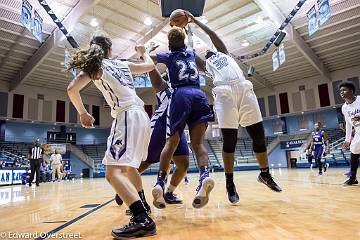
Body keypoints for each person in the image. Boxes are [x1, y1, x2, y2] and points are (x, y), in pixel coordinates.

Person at [67, 34, 156, 239]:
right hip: (142, 116)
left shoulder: (97, 66)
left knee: (112, 172)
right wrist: (144, 53)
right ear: (110, 50)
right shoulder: (122, 64)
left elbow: (72, 89)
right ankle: (142, 204)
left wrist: (83, 113)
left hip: (127, 116)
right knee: (128, 167)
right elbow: (150, 66)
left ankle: (142, 218)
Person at [187, 12, 282, 204]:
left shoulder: (223, 53)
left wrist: (195, 22)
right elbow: (190, 52)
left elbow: (213, 35)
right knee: (230, 140)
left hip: (244, 89)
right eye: (206, 52)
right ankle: (230, 183)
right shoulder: (206, 65)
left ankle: (265, 174)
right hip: (223, 94)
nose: (209, 51)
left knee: (258, 135)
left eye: (210, 50)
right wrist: (187, 32)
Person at [150, 27, 215, 209]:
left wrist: (144, 52)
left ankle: (160, 183)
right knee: (199, 145)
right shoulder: (192, 54)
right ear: (185, 42)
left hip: (180, 95)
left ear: (170, 44)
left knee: (171, 143)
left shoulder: (169, 56)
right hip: (199, 95)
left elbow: (149, 61)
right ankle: (204, 176)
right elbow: (206, 67)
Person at [340, 81, 360, 185]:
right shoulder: (344, 108)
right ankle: (353, 178)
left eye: (344, 90)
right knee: (354, 150)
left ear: (351, 91)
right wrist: (347, 140)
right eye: (340, 91)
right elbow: (348, 124)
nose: (342, 92)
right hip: (358, 132)